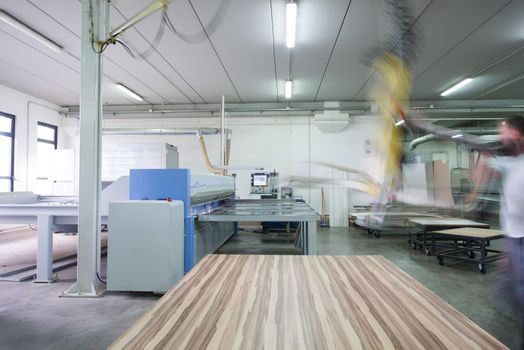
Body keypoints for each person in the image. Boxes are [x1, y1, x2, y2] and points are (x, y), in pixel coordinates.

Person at [471, 115, 524, 348]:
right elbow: (483, 171)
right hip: (513, 239)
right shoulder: (510, 161)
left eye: (504, 132)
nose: (500, 137)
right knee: (503, 294)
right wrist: (483, 156)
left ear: (517, 135)